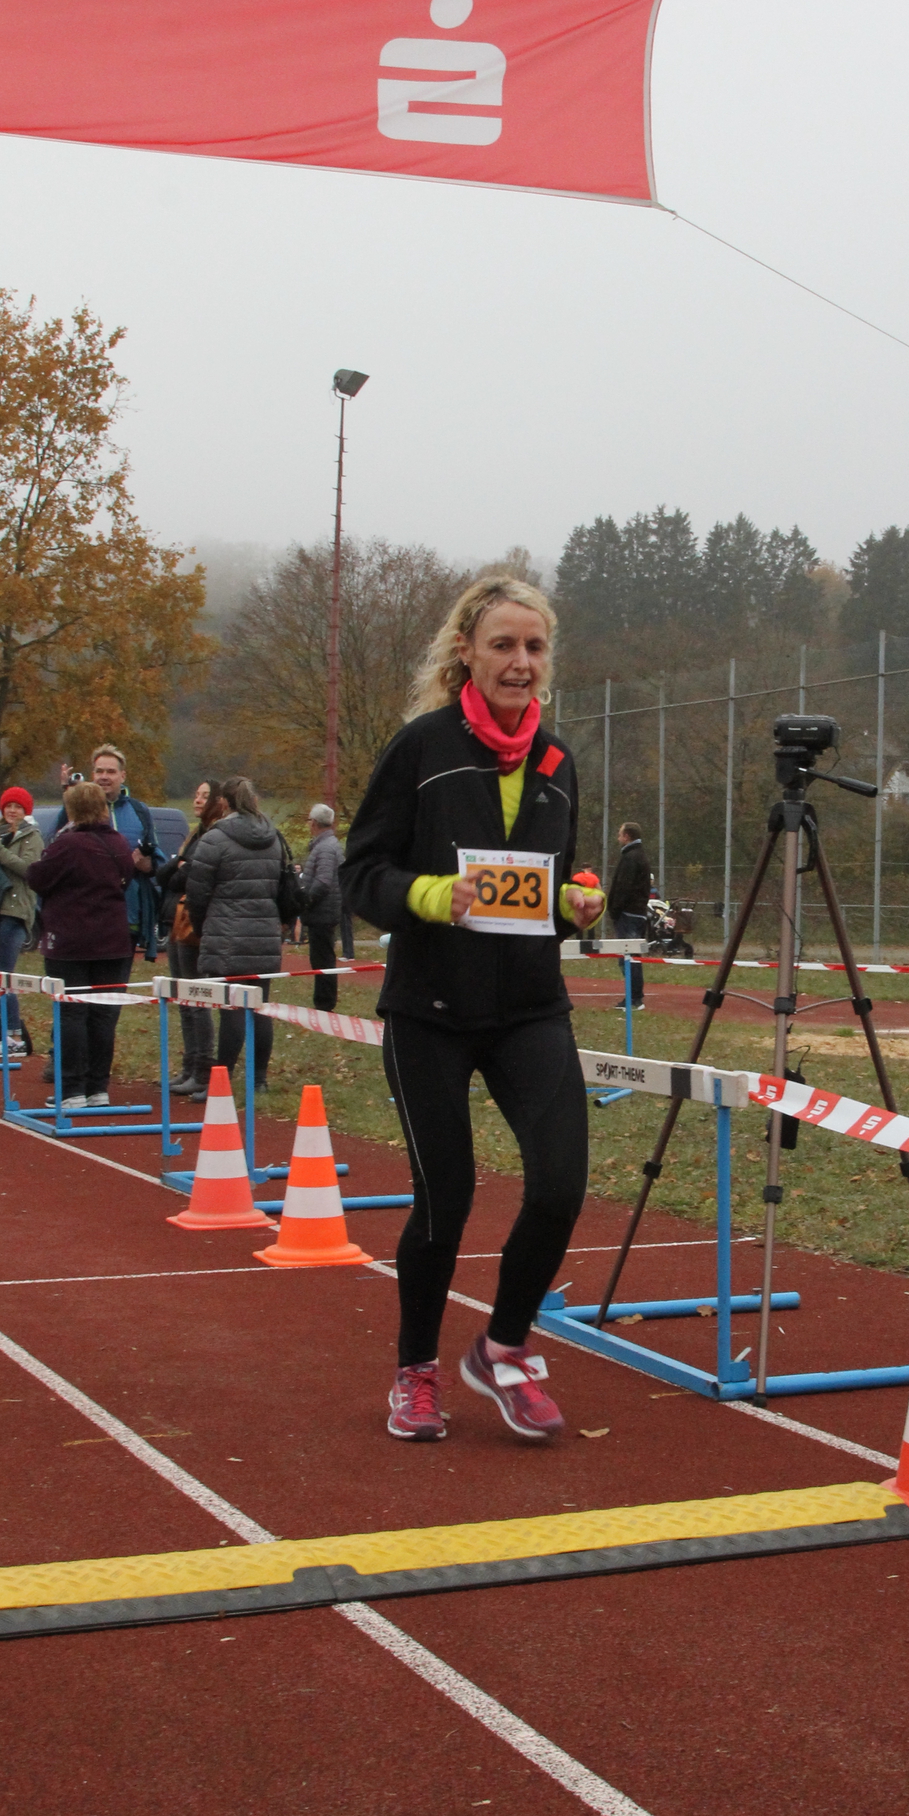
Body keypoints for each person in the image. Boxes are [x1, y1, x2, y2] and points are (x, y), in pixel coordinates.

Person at [342, 574, 606, 1445]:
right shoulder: (421, 747)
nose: (520, 662)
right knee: (445, 1197)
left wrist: (576, 902)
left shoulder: (558, 763)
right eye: (503, 645)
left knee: (561, 1184)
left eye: (534, 646)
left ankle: (502, 1349)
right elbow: (361, 873)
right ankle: (416, 1370)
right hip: (430, 1010)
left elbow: (548, 886)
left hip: (529, 1007)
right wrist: (425, 895)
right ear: (466, 651)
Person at [26, 781, 136, 1109]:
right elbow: (128, 877)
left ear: (72, 810)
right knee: (103, 1016)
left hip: (70, 941)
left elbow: (37, 878)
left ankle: (72, 1088)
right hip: (113, 940)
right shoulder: (118, 842)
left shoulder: (66, 844)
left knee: (72, 1013)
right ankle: (97, 1087)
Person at [183, 775, 283, 1089]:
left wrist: (202, 927)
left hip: (225, 932)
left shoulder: (215, 838)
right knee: (260, 1007)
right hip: (265, 932)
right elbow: (281, 885)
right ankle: (259, 1079)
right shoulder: (274, 837)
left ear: (223, 802)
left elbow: (197, 893)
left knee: (231, 1009)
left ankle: (221, 1081)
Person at [49, 746, 161, 959]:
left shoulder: (139, 811)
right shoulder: (76, 810)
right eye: (99, 771)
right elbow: (54, 849)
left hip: (127, 914)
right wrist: (69, 795)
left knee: (118, 979)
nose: (104, 777)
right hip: (84, 915)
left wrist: (147, 865)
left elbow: (156, 858)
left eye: (110, 771)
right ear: (92, 775)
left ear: (122, 775)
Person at [156, 780, 227, 1096]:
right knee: (182, 999)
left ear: (219, 801)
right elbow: (167, 875)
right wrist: (177, 866)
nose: (197, 800)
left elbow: (187, 876)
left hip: (193, 924)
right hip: (175, 919)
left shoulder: (215, 836)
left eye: (204, 796)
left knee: (197, 998)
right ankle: (188, 1065)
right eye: (196, 794)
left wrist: (178, 869)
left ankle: (202, 1069)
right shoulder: (194, 833)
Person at [0, 788, 45, 1046]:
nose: (12, 811)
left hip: (15, 912)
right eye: (8, 806)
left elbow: (28, 870)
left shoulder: (32, 837)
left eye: (18, 807)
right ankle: (8, 1033)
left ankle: (14, 1035)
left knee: (4, 975)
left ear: (26, 811)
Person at [302, 802, 343, 1014]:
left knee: (323, 959)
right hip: (324, 911)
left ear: (315, 823)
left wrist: (306, 900)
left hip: (322, 913)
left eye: (309, 820)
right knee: (321, 958)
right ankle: (323, 1001)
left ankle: (324, 1003)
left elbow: (323, 882)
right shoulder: (328, 844)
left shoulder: (325, 847)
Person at [607, 821, 652, 1010]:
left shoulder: (631, 857)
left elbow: (623, 887)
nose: (618, 837)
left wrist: (615, 909)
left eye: (620, 834)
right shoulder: (637, 855)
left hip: (629, 914)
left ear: (627, 836)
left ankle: (634, 999)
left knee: (628, 957)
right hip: (635, 913)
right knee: (630, 956)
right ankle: (634, 997)